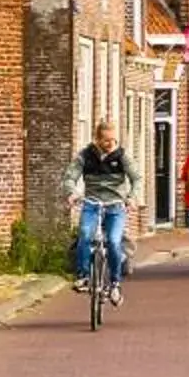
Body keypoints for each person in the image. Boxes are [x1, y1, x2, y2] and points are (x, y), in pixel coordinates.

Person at [68, 119, 133, 304]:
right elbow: (70, 176)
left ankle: (115, 284)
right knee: (85, 234)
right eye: (106, 140)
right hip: (92, 203)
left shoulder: (122, 157)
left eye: (113, 140)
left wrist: (132, 196)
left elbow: (137, 178)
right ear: (97, 139)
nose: (111, 144)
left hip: (115, 206)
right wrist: (72, 192)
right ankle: (83, 276)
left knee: (113, 241)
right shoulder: (85, 156)